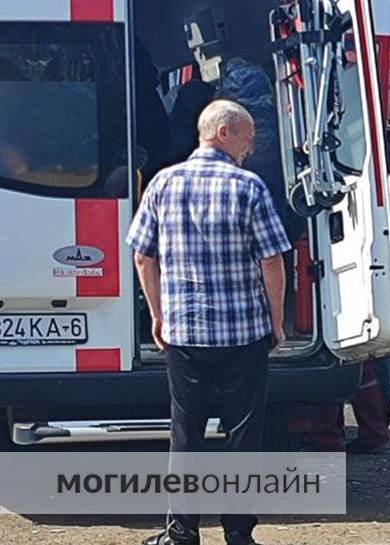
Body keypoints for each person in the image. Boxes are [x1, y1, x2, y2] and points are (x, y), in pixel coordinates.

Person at [127, 99, 292, 545]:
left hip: (185, 334)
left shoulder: (162, 183)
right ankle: (238, 533)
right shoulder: (249, 187)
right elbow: (272, 260)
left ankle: (182, 532)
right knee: (243, 434)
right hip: (243, 334)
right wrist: (276, 320)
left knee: (186, 435)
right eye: (247, 136)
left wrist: (159, 316)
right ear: (223, 133)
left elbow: (142, 255)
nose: (251, 147)